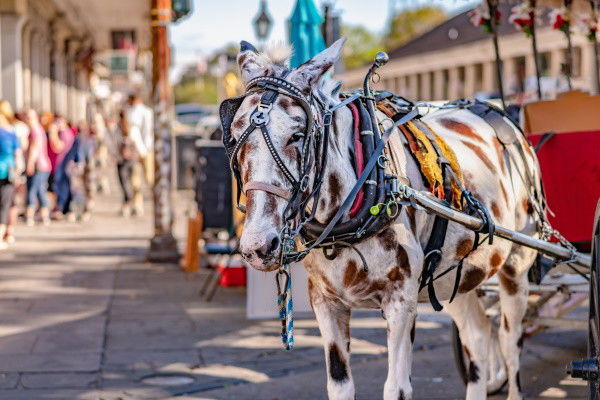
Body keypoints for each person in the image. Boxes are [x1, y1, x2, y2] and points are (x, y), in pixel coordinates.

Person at [0, 101, 28, 244]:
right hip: (7, 173)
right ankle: (6, 233)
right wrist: (18, 173)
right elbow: (19, 155)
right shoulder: (12, 134)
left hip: (6, 173)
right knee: (8, 204)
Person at [126, 94, 153, 216]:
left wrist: (141, 150)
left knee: (136, 180)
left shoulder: (134, 112)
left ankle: (138, 205)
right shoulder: (149, 111)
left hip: (139, 151)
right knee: (149, 178)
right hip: (148, 149)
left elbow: (134, 133)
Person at [24, 109, 52, 226]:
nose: (28, 120)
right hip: (44, 165)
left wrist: (29, 164)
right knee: (40, 190)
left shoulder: (35, 130)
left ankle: (29, 215)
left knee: (32, 190)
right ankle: (44, 215)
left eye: (30, 118)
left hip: (38, 165)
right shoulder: (39, 129)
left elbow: (34, 149)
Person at [47, 115, 76, 219]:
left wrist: (52, 133)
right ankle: (63, 209)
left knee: (60, 188)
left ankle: (61, 209)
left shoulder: (65, 133)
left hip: (60, 165)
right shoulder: (65, 133)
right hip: (59, 165)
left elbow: (58, 147)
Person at [115, 111, 138, 216]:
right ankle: (130, 202)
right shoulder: (131, 129)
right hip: (129, 158)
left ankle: (129, 202)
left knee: (126, 181)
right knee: (128, 181)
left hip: (126, 159)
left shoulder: (120, 129)